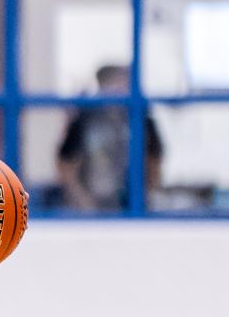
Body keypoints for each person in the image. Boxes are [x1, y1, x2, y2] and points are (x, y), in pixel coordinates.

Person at [56, 63, 164, 211]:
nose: (125, 90)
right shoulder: (86, 120)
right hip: (94, 206)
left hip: (131, 205)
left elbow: (154, 161)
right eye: (120, 84)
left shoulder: (141, 119)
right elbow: (65, 164)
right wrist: (83, 201)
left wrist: (145, 197)